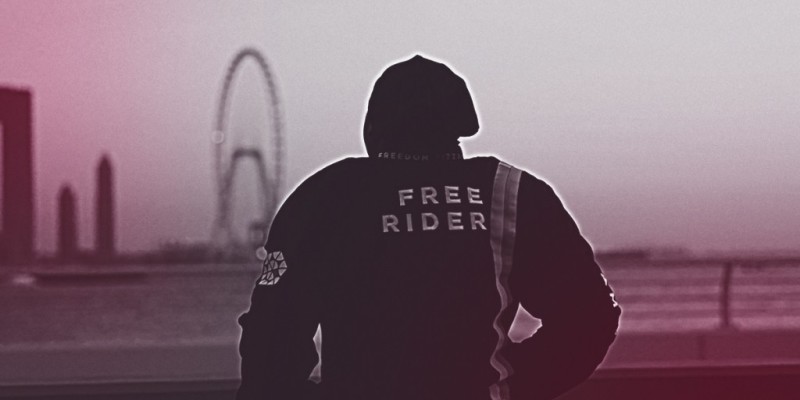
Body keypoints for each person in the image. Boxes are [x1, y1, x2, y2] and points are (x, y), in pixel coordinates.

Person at [237, 54, 621, 400]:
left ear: (373, 128)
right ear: (461, 126)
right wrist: (507, 386)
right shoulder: (513, 194)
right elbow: (590, 317)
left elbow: (271, 338)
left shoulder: (325, 197)